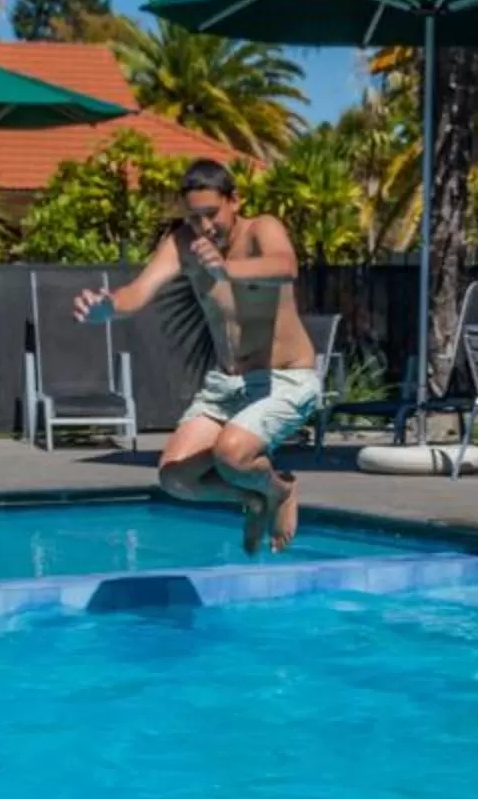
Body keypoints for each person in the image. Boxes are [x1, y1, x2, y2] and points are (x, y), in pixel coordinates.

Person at [72, 160, 319, 555]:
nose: (204, 227)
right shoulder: (182, 243)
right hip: (226, 384)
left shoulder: (261, 229)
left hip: (284, 379)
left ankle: (282, 490)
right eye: (194, 216)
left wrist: (226, 269)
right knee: (176, 479)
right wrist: (109, 307)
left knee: (230, 455)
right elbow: (138, 291)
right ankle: (254, 499)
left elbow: (285, 267)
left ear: (234, 200)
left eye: (211, 214)